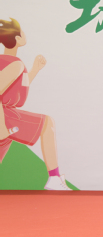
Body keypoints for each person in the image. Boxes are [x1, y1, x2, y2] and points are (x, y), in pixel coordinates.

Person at [0, 18, 70, 190]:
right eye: (22, 32)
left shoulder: (9, 63)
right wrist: (1, 125)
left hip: (5, 114)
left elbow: (16, 87)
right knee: (47, 124)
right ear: (18, 39)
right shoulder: (15, 64)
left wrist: (34, 70)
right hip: (5, 114)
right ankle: (54, 178)